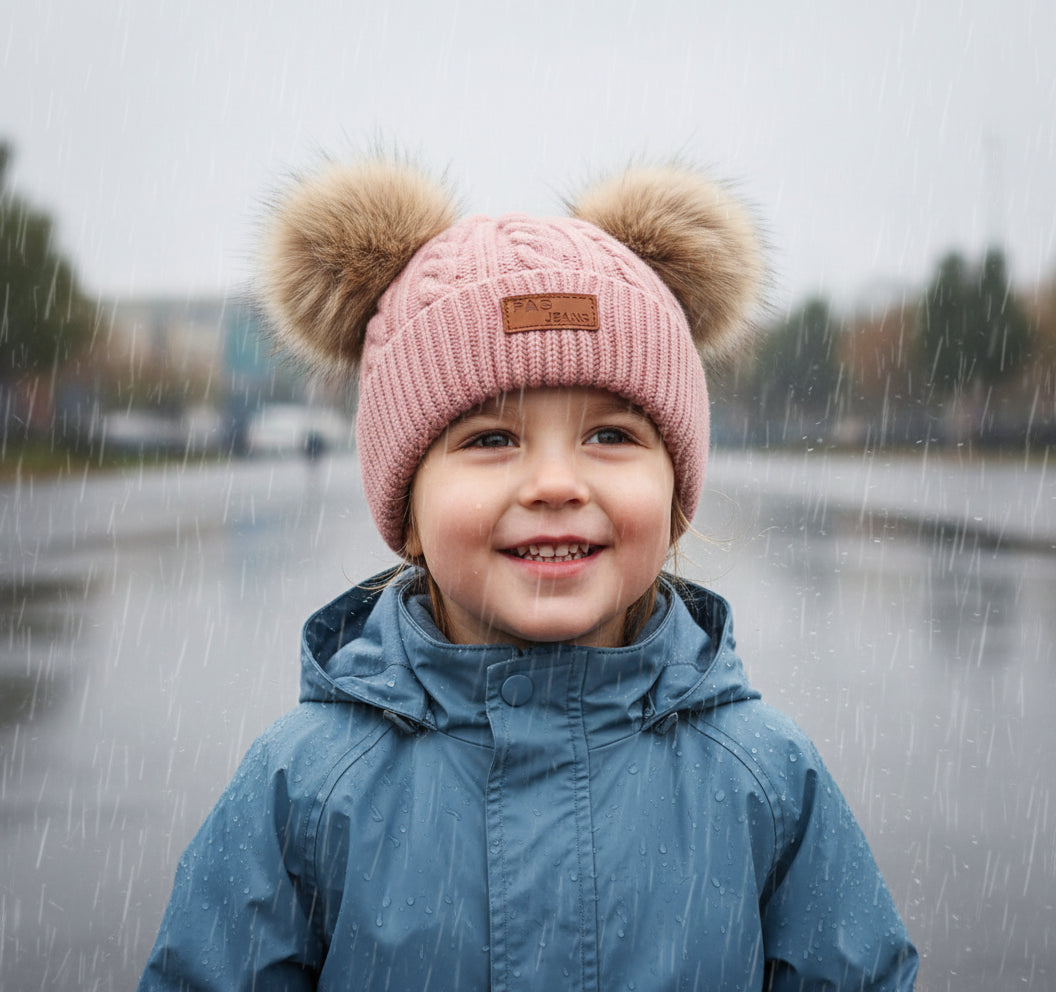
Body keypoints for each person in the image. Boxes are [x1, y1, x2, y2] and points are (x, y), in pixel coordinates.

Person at [139, 156, 918, 990]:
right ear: (406, 511)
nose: (555, 483)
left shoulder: (761, 776)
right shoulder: (309, 785)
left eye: (612, 435)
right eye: (490, 439)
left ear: (676, 496)